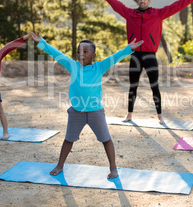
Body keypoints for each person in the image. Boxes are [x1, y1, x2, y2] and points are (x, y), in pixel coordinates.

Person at [31, 32, 143, 179]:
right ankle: (59, 165)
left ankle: (113, 168)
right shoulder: (73, 65)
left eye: (85, 51)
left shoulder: (99, 67)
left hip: (95, 112)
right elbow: (57, 54)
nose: (81, 54)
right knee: (68, 140)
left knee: (106, 139)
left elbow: (115, 57)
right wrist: (42, 43)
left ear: (93, 55)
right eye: (79, 51)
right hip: (76, 112)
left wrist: (129, 49)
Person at [93, 0, 193, 124]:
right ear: (138, 1)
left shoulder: (158, 14)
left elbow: (176, 6)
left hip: (150, 56)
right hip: (135, 55)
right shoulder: (130, 14)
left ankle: (160, 116)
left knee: (154, 86)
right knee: (133, 86)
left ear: (149, 1)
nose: (142, 1)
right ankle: (129, 115)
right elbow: (115, 4)